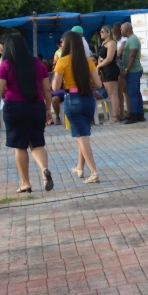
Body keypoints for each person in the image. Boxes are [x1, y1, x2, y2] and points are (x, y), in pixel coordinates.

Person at [0, 33, 54, 193]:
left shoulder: (6, 65)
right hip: (36, 107)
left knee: (20, 146)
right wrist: (48, 108)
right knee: (37, 143)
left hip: (14, 108)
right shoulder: (38, 63)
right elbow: (47, 89)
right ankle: (44, 169)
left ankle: (25, 183)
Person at [52, 31, 104, 183]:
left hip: (73, 98)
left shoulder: (62, 62)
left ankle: (93, 172)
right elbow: (98, 84)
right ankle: (80, 167)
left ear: (66, 44)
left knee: (82, 136)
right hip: (88, 99)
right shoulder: (87, 61)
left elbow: (55, 86)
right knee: (83, 133)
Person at [96, 24, 123, 123]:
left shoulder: (111, 43)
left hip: (110, 69)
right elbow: (101, 57)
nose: (100, 33)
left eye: (102, 31)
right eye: (100, 31)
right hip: (104, 70)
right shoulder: (104, 43)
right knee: (110, 93)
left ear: (108, 32)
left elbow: (109, 58)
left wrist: (99, 66)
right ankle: (115, 115)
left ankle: (115, 117)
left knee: (113, 94)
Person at [121, 21, 145, 123]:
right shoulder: (130, 39)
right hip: (133, 70)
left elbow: (132, 56)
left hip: (133, 70)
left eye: (121, 29)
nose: (121, 31)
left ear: (126, 29)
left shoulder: (133, 40)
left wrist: (127, 69)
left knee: (132, 93)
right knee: (136, 93)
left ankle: (134, 115)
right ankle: (140, 114)